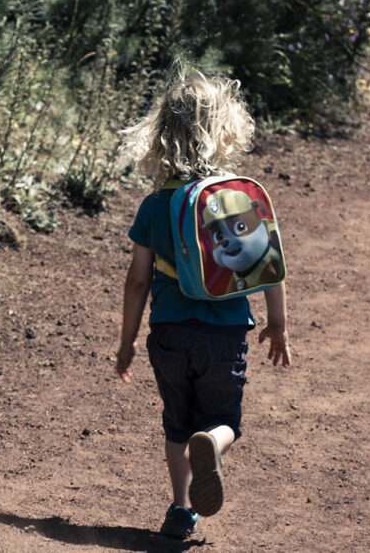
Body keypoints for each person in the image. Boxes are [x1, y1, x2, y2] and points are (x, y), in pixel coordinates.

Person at [115, 59, 290, 540]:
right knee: (223, 419)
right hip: (225, 333)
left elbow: (137, 281)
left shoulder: (154, 205)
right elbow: (267, 262)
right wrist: (277, 323)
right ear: (225, 131)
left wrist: (127, 342)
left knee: (177, 424)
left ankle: (180, 509)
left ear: (161, 135)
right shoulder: (234, 199)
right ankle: (213, 442)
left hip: (170, 332)